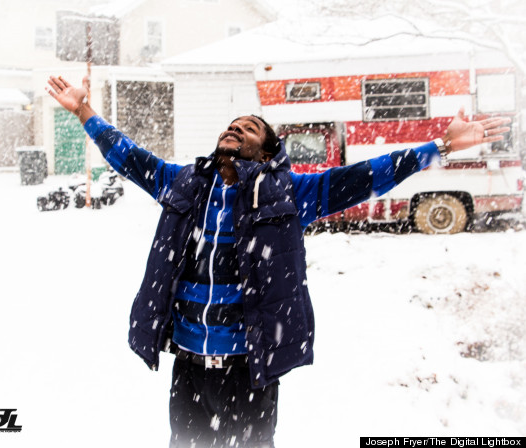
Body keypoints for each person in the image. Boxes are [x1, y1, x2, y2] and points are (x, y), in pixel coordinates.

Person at [47, 75, 510, 448]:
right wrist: (84, 111)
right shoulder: (184, 182)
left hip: (248, 368)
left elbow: (367, 176)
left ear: (267, 152)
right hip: (188, 364)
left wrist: (440, 148)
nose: (235, 128)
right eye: (231, 124)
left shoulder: (290, 191)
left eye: (248, 127)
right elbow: (129, 157)